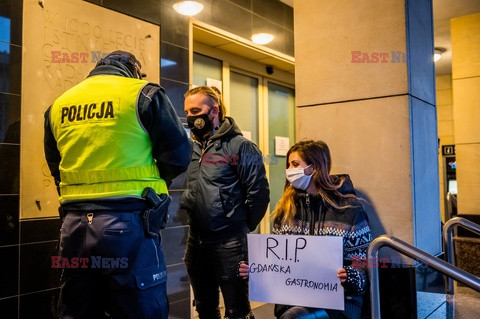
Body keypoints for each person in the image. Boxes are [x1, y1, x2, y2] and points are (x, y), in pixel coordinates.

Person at [44, 50, 191, 319]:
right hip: (128, 223)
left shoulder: (59, 104)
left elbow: (56, 166)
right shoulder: (142, 94)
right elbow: (179, 155)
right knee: (139, 308)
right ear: (134, 69)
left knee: (78, 308)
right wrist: (157, 182)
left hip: (74, 227)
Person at [239, 140, 372, 319]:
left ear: (314, 168)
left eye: (295, 164)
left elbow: (363, 266)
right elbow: (278, 262)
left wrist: (351, 277)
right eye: (288, 165)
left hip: (340, 301)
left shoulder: (350, 210)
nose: (289, 171)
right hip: (292, 299)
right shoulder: (286, 210)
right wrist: (255, 272)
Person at [181, 86, 270, 319]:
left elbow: (259, 193)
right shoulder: (192, 148)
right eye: (187, 112)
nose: (191, 117)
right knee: (204, 308)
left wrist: (241, 226)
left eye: (195, 110)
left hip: (229, 243)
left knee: (236, 310)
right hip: (196, 241)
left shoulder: (240, 147)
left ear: (214, 111)